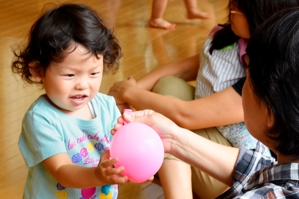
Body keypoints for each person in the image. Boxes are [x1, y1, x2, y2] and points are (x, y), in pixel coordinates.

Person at [109, 0, 299, 198]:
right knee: (169, 86)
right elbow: (260, 169)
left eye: (249, 75)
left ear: (271, 111)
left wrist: (128, 92)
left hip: (223, 172)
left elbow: (186, 115)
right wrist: (173, 138)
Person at [11, 3, 137, 198]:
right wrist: (97, 174)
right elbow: (62, 171)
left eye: (94, 73)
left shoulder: (106, 106)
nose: (82, 85)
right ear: (38, 71)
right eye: (70, 75)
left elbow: (120, 150)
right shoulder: (41, 118)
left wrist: (136, 160)